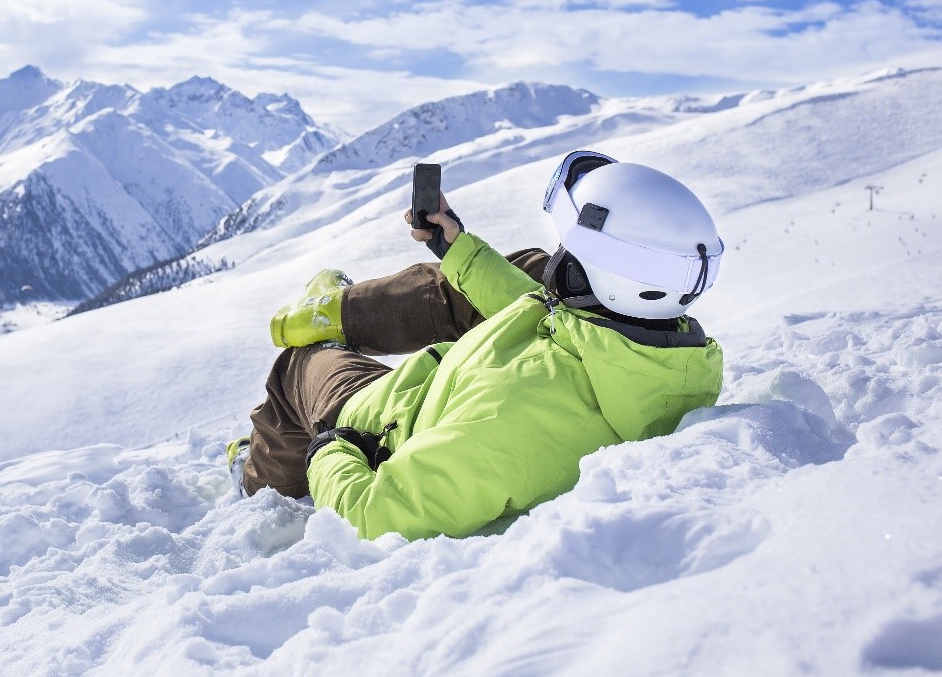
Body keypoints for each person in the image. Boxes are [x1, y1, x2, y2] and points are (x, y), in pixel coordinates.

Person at [228, 150, 725, 541]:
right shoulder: (648, 353)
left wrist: (331, 452)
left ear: (587, 276)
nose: (560, 258)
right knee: (518, 274)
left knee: (299, 367)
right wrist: (454, 246)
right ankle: (341, 312)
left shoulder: (509, 420)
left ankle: (257, 473)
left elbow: (378, 516)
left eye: (569, 253)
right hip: (441, 392)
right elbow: (533, 306)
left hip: (382, 428)